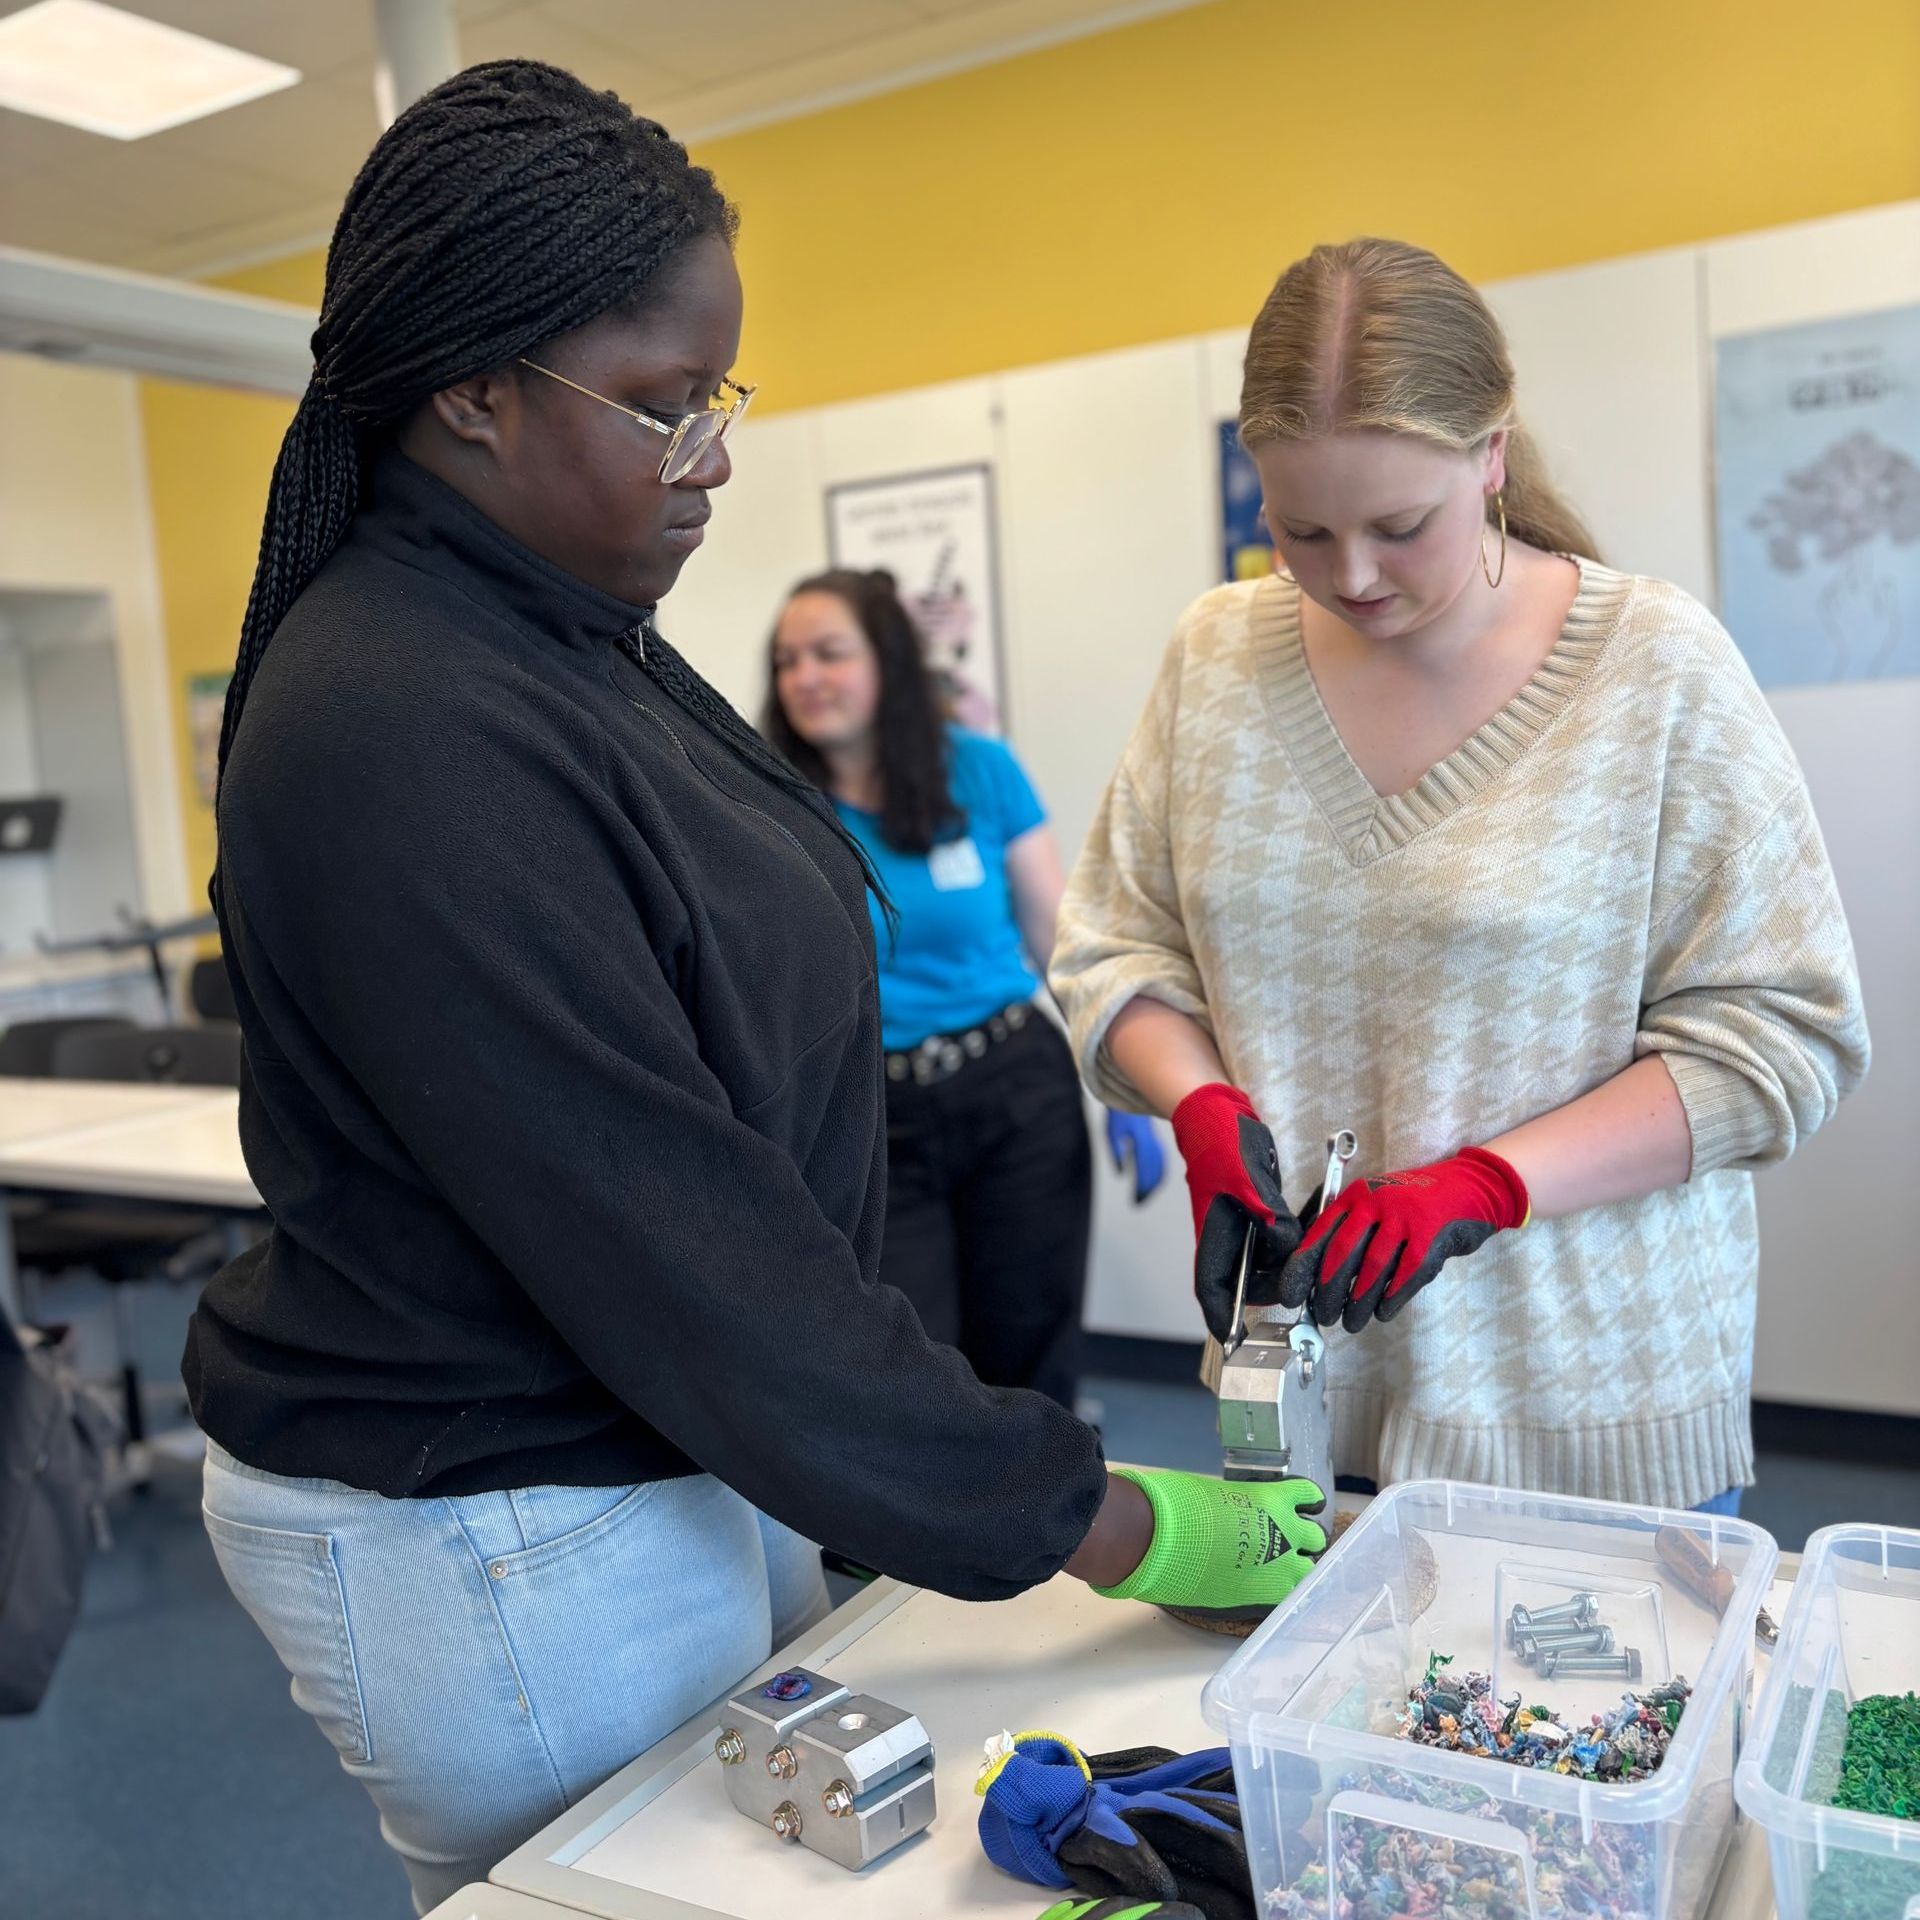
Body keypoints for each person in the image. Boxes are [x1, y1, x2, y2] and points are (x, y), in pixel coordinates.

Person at [183, 62, 1325, 1912]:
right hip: (499, 1516)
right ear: (472, 391)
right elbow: (678, 1236)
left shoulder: (564, 641)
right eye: (660, 407)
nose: (710, 459)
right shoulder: (400, 725)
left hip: (662, 1442)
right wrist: (1111, 1521)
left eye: (716, 399)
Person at [1051, 237, 1869, 1517]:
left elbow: (1786, 1036)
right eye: (1300, 530)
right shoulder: (1215, 657)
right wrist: (1198, 1103)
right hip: (1302, 1384)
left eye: (1401, 527)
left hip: (1586, 1405)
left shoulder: (1654, 667)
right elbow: (1117, 948)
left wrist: (1489, 1185)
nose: (1352, 577)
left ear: (1491, 455)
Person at [763, 569, 1164, 1410]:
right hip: (875, 1112)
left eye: (829, 653)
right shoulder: (769, 801)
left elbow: (1057, 937)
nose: (804, 678)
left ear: (888, 661)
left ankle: (1050, 1499)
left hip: (1014, 1090)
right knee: (915, 1365)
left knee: (1031, 1342)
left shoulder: (978, 770)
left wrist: (1120, 1074)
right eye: (787, 660)